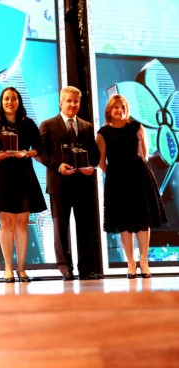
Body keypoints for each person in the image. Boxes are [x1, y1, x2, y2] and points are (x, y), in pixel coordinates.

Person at [0, 87, 46, 282]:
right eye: (7, 98)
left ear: (19, 101)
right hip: (0, 177)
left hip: (24, 176)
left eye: (14, 98)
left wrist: (27, 153)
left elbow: (39, 148)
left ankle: (22, 268)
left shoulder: (28, 124)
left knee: (22, 223)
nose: (10, 102)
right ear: (1, 102)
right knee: (7, 223)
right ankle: (8, 267)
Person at [96, 94, 167, 279]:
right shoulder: (103, 133)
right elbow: (101, 162)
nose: (120, 110)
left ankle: (144, 262)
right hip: (117, 181)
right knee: (124, 223)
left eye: (123, 107)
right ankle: (130, 263)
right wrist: (114, 174)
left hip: (140, 177)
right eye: (116, 107)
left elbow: (144, 152)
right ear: (109, 111)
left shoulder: (136, 127)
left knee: (143, 221)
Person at [38, 86, 102, 281]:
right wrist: (58, 166)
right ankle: (66, 269)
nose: (73, 104)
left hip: (83, 184)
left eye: (76, 101)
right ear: (61, 102)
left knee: (85, 227)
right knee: (60, 229)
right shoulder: (48, 125)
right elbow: (40, 153)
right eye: (69, 101)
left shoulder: (86, 126)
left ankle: (86, 269)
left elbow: (95, 153)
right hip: (59, 185)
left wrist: (91, 166)